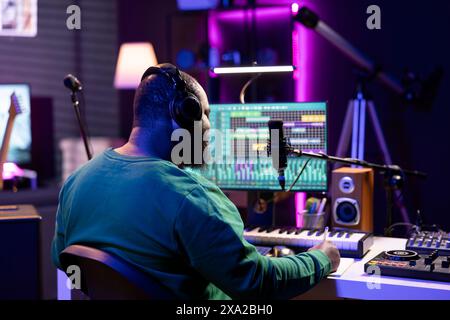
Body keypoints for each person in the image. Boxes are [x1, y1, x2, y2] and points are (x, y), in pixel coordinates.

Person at [52, 63, 340, 299]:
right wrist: (321, 258)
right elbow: (256, 283)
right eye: (206, 115)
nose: (209, 129)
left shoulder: (77, 182)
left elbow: (63, 260)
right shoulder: (191, 196)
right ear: (182, 115)